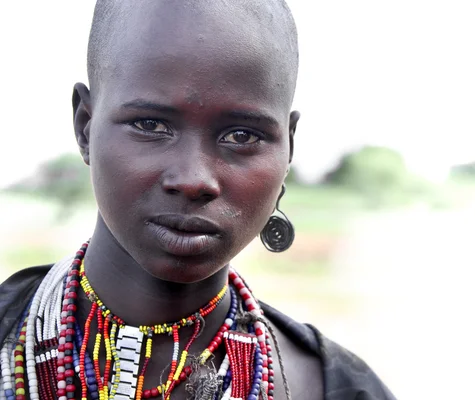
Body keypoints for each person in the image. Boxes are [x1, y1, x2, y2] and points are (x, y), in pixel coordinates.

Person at [0, 1, 395, 399]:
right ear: (86, 126)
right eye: (150, 124)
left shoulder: (336, 389)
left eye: (242, 135)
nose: (193, 180)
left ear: (288, 148)